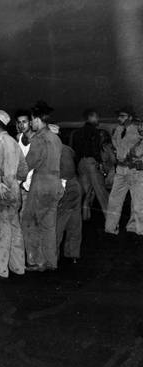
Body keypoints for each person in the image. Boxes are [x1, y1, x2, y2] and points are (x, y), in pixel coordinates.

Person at [0, 110, 27, 278]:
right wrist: (17, 183)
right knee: (15, 229)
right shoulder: (14, 141)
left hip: (1, 190)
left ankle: (0, 269)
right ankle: (19, 267)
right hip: (14, 190)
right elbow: (24, 167)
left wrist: (2, 183)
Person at [21, 105, 62, 271]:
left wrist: (15, 177)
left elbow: (29, 163)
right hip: (55, 183)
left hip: (42, 182)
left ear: (37, 119)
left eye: (31, 120)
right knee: (49, 225)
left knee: (29, 221)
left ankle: (37, 262)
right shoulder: (56, 138)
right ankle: (51, 262)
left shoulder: (39, 138)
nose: (31, 124)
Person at [105, 107, 143, 236]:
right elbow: (115, 144)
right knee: (114, 199)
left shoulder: (139, 128)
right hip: (121, 169)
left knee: (138, 202)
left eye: (122, 116)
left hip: (135, 170)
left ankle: (137, 229)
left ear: (130, 117)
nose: (119, 118)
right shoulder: (118, 130)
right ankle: (110, 228)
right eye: (119, 116)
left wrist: (136, 154)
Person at [70, 108, 110, 220]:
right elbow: (95, 149)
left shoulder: (77, 133)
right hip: (91, 162)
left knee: (86, 192)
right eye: (96, 117)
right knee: (101, 191)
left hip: (80, 164)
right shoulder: (95, 132)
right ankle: (111, 221)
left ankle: (85, 217)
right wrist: (100, 163)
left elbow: (74, 151)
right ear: (91, 117)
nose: (98, 119)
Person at [53, 124, 83, 263]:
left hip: (66, 187)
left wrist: (61, 186)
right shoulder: (67, 149)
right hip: (75, 186)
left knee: (58, 222)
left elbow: (67, 171)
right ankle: (73, 254)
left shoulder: (59, 150)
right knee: (74, 221)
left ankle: (52, 257)